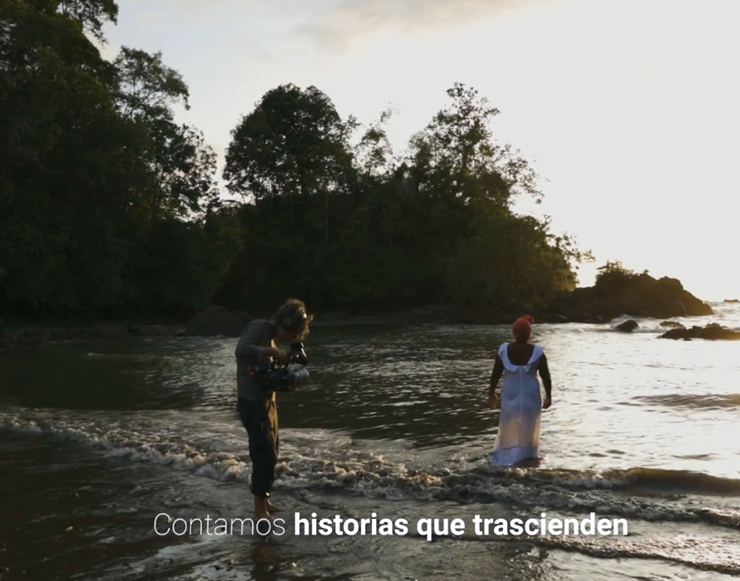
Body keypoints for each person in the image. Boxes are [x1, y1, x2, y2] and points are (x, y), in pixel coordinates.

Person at [235, 298, 313, 520]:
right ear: (285, 323)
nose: (288, 339)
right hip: (252, 401)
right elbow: (241, 349)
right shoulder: (259, 328)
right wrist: (271, 351)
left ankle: (265, 502)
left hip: (268, 401)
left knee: (273, 451)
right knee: (263, 454)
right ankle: (259, 511)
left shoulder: (272, 338)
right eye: (290, 334)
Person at [488, 315, 552, 467]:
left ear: (514, 333)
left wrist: (491, 392)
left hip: (510, 392)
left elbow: (496, 373)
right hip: (531, 394)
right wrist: (549, 396)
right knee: (529, 425)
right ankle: (527, 459)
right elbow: (545, 375)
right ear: (529, 334)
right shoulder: (538, 352)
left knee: (508, 423)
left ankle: (506, 456)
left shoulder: (503, 350)